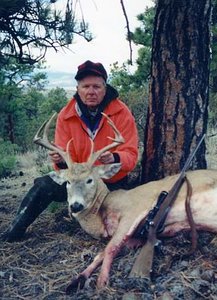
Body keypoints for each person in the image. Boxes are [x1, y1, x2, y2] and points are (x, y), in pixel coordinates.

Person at [2, 60, 139, 242]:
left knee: (115, 221)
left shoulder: (121, 113)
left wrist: (114, 157)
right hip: (77, 180)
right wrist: (59, 160)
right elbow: (64, 162)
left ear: (105, 88)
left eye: (96, 86)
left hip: (108, 179)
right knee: (44, 185)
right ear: (78, 88)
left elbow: (131, 155)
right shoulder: (66, 116)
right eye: (86, 86)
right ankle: (15, 230)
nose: (91, 91)